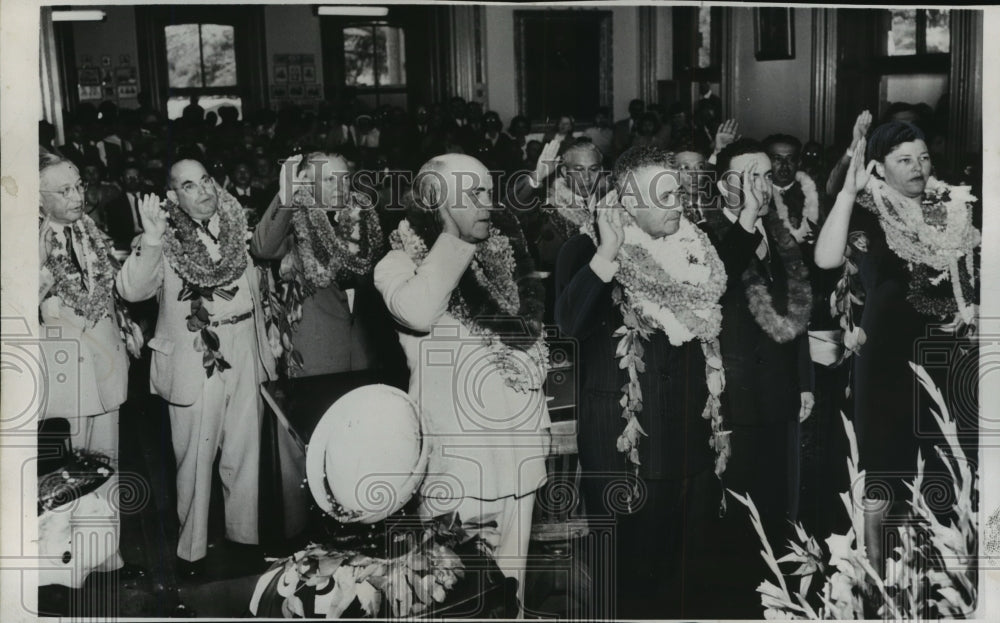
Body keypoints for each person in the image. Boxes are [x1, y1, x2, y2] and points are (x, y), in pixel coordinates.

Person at [554, 145, 750, 618]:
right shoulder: (586, 248)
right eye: (663, 195)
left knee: (686, 575)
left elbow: (724, 287)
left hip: (688, 440)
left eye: (677, 192)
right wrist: (607, 253)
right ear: (627, 202)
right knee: (629, 582)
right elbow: (565, 329)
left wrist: (745, 217)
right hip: (625, 449)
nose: (678, 203)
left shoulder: (696, 245)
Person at [373, 154, 551, 610]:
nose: (488, 203)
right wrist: (452, 237)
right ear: (436, 200)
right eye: (473, 194)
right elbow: (418, 310)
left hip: (518, 449)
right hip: (459, 462)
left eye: (489, 192)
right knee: (457, 596)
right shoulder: (397, 262)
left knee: (510, 593)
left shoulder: (501, 257)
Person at [814, 121, 980, 568]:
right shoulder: (869, 211)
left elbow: (971, 280)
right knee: (885, 464)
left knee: (946, 463)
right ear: (879, 167)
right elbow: (826, 259)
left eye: (923, 157)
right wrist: (848, 194)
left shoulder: (954, 209)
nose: (918, 168)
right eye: (904, 160)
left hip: (947, 357)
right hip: (887, 361)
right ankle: (875, 575)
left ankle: (936, 572)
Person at [116, 158, 277, 577]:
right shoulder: (162, 238)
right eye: (190, 186)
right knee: (194, 457)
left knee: (246, 449)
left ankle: (245, 540)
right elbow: (132, 289)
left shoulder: (237, 224)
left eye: (206, 180)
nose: (204, 191)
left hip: (245, 344)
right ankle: (192, 551)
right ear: (173, 196)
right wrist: (151, 239)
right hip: (194, 352)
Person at [703, 138, 814, 616]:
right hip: (735, 399)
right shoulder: (704, 235)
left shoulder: (781, 234)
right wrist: (747, 220)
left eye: (767, 175)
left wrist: (806, 380)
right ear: (725, 182)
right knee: (736, 517)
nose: (762, 186)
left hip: (780, 394)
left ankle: (779, 603)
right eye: (750, 175)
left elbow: (798, 310)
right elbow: (716, 284)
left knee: (778, 509)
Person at [38, 152, 144, 582]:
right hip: (66, 372)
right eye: (64, 190)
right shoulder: (28, 240)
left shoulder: (88, 230)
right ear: (37, 199)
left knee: (107, 462)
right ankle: (66, 568)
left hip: (104, 366)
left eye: (78, 185)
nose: (78, 195)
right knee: (68, 470)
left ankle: (107, 556)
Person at [250, 150, 405, 386]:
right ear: (309, 184)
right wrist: (287, 194)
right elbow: (262, 248)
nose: (340, 186)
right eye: (329, 179)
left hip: (364, 346)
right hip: (318, 348)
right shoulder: (295, 220)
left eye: (344, 178)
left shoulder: (364, 216)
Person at [762, 133, 846, 537]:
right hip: (779, 322)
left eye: (789, 160)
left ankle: (814, 517)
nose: (782, 167)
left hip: (817, 320)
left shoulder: (814, 200)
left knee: (817, 419)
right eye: (775, 160)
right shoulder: (757, 203)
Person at [510, 140, 608, 321]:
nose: (586, 178)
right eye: (578, 169)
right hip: (561, 307)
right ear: (564, 172)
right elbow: (508, 213)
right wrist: (536, 178)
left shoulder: (612, 200)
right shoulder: (548, 205)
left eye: (593, 169)